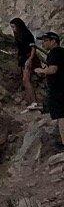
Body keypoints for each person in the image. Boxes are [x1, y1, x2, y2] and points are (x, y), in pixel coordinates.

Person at [38, 33, 64, 161]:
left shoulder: (54, 53)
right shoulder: (62, 52)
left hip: (58, 90)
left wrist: (41, 70)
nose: (43, 43)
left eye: (45, 40)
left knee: (61, 117)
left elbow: (53, 70)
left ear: (54, 41)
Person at [13, 18, 39, 108]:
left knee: (26, 79)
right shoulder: (17, 35)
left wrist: (30, 59)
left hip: (28, 57)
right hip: (23, 57)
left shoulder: (27, 34)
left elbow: (33, 48)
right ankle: (30, 101)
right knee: (25, 81)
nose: (13, 29)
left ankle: (34, 101)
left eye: (14, 27)